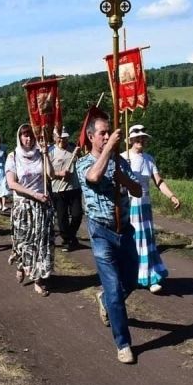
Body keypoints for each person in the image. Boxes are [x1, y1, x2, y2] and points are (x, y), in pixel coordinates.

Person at [76, 115, 142, 364]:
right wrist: (109, 153)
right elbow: (93, 177)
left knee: (131, 281)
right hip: (101, 232)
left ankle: (104, 300)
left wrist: (122, 177)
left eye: (109, 133)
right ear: (91, 136)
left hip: (124, 230)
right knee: (114, 288)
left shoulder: (121, 162)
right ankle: (123, 343)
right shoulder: (83, 163)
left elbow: (137, 190)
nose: (106, 137)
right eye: (102, 133)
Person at [122, 124, 180, 294]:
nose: (141, 141)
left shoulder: (149, 159)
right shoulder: (123, 157)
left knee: (147, 240)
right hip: (130, 204)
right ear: (131, 140)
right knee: (133, 240)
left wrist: (171, 195)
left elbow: (159, 182)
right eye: (137, 138)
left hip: (145, 205)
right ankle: (133, 275)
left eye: (143, 138)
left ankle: (150, 277)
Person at [5, 124, 55, 297]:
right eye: (25, 135)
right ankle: (21, 263)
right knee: (24, 243)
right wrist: (33, 194)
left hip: (41, 207)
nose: (28, 138)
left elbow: (51, 175)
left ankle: (38, 280)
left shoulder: (40, 155)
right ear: (19, 137)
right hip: (23, 207)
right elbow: (12, 183)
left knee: (40, 245)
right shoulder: (13, 156)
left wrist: (46, 153)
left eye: (30, 135)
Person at [49, 128, 83, 252]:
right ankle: (67, 239)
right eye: (60, 137)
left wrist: (79, 155)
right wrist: (59, 173)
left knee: (77, 214)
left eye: (65, 137)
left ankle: (71, 236)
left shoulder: (73, 148)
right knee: (62, 218)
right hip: (58, 189)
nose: (63, 139)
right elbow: (47, 172)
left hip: (74, 187)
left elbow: (81, 163)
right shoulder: (50, 151)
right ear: (54, 137)